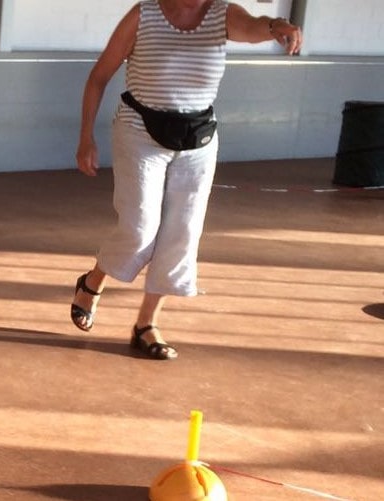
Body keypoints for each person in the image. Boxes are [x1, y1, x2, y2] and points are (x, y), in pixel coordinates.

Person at [70, 0, 302, 360]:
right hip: (139, 131)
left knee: (182, 234)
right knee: (139, 230)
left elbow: (252, 26)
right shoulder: (144, 15)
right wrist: (86, 137)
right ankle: (93, 280)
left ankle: (146, 324)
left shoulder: (222, 14)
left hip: (198, 139)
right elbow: (99, 76)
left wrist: (276, 26)